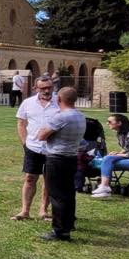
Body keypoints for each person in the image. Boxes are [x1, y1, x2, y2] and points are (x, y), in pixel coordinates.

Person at [36, 87, 86, 241]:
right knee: (69, 193)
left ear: (59, 100)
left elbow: (41, 135)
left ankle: (60, 231)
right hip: (71, 157)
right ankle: (68, 223)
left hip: (57, 158)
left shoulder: (61, 117)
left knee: (57, 195)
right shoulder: (80, 116)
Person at [12, 75, 58, 221]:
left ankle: (43, 210)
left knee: (49, 179)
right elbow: (21, 123)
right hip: (33, 147)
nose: (46, 90)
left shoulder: (60, 101)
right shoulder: (27, 103)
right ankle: (25, 211)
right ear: (36, 88)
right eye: (43, 88)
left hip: (54, 148)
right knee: (30, 178)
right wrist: (25, 143)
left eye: (49, 87)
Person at [91, 114, 129, 198]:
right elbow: (127, 148)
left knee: (107, 161)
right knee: (107, 161)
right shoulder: (120, 134)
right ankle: (105, 187)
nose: (107, 123)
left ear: (119, 123)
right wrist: (118, 152)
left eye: (109, 121)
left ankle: (104, 187)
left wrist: (118, 154)